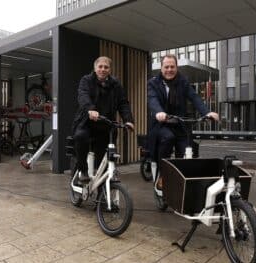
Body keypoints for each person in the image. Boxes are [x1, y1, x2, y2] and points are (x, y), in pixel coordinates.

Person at [147, 54, 219, 188]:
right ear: (161, 68)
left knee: (188, 147)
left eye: (172, 67)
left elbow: (195, 97)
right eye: (166, 67)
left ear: (176, 67)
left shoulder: (183, 81)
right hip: (162, 123)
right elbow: (152, 99)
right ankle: (162, 174)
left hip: (179, 123)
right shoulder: (153, 83)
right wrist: (159, 112)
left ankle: (182, 179)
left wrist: (206, 112)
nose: (169, 70)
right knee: (168, 138)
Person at [72, 56, 135, 183]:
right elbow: (83, 95)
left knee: (104, 157)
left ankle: (102, 191)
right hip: (87, 122)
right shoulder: (86, 80)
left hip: (106, 125)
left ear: (110, 69)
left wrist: (128, 120)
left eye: (106, 67)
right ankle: (82, 170)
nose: (103, 69)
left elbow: (123, 103)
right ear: (95, 68)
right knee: (80, 136)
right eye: (100, 66)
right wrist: (90, 109)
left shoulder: (115, 84)